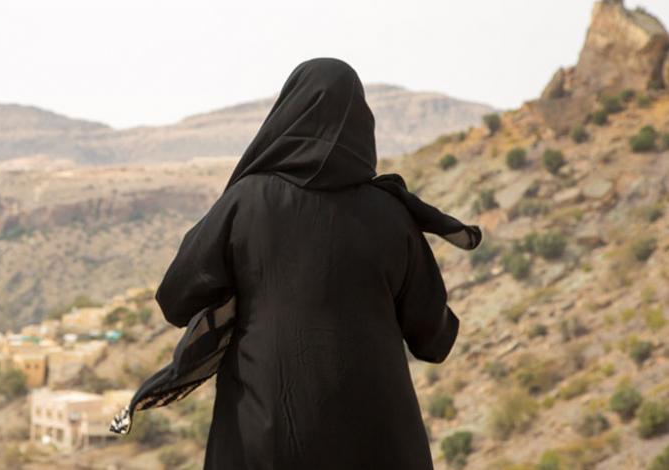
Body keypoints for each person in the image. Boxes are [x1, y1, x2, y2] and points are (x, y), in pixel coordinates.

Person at [151, 57, 480, 469]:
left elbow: (175, 299)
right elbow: (434, 340)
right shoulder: (392, 215)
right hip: (379, 443)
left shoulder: (248, 201)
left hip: (265, 436)